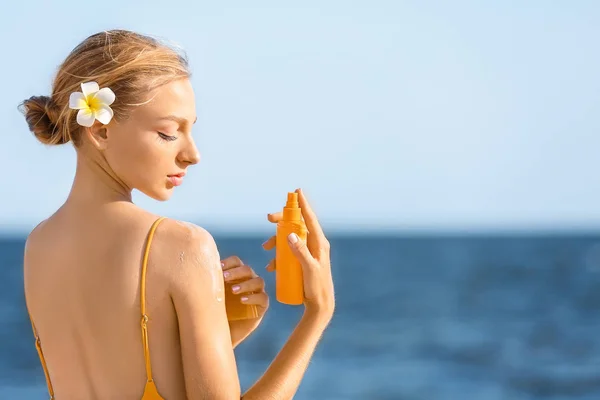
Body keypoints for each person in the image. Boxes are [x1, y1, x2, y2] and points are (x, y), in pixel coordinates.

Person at [20, 29, 335, 400]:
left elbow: (118, 375)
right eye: (169, 133)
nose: (192, 154)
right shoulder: (181, 245)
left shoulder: (38, 246)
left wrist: (219, 330)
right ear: (101, 131)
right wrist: (317, 315)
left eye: (191, 131)